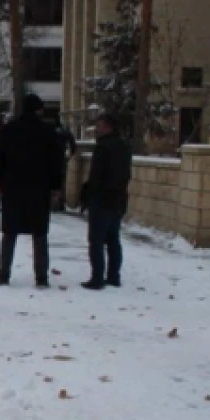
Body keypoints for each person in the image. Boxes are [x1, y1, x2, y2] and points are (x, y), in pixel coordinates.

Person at [0, 94, 64, 288]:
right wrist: (56, 187)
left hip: (12, 188)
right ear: (38, 110)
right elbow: (56, 162)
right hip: (39, 189)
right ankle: (41, 277)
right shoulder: (48, 132)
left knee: (9, 232)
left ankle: (3, 273)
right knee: (39, 233)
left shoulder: (8, 130)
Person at [80, 113, 132, 290]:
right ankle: (113, 275)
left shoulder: (102, 147)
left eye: (100, 126)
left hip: (101, 198)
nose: (97, 129)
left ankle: (97, 277)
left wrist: (87, 194)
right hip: (118, 197)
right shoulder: (124, 146)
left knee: (96, 240)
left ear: (109, 127)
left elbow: (96, 175)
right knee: (113, 239)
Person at [53, 122, 78, 211]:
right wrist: (71, 153)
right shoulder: (64, 131)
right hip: (60, 158)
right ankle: (59, 203)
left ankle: (54, 202)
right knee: (60, 181)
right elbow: (72, 143)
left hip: (49, 159)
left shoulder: (49, 129)